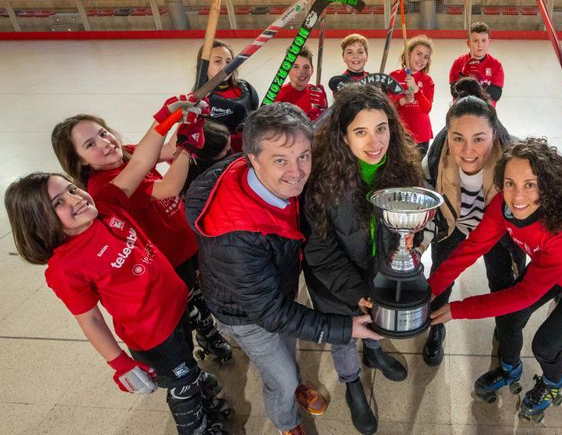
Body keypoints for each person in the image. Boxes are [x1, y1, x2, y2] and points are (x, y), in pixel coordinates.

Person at [5, 99, 229, 435]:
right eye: (59, 203)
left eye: (70, 190)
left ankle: (198, 386)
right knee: (181, 388)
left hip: (177, 307)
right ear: (40, 223)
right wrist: (119, 362)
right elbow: (90, 319)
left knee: (188, 368)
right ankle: (195, 427)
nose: (76, 199)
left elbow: (140, 160)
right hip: (154, 336)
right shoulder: (65, 267)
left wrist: (165, 118)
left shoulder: (107, 205)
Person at [185, 102, 381, 435]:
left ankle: (294, 383)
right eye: (280, 160)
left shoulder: (261, 175)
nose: (297, 171)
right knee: (280, 375)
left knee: (287, 348)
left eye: (303, 156)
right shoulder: (235, 238)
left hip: (277, 290)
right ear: (252, 158)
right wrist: (345, 329)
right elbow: (271, 314)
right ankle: (287, 423)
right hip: (245, 315)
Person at [429, 138, 562, 423]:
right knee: (509, 319)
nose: (517, 196)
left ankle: (552, 385)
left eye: (530, 184)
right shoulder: (503, 207)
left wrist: (458, 310)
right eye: (510, 183)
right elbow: (471, 249)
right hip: (551, 268)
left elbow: (523, 295)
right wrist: (431, 289)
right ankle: (510, 368)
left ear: (548, 186)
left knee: (545, 345)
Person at [419, 86, 562, 366]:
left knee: (503, 282)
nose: (468, 151)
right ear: (447, 135)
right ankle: (436, 328)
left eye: (479, 139)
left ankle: (503, 326)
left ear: (494, 133)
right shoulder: (434, 161)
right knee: (441, 275)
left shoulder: (515, 154)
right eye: (458, 138)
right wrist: (417, 243)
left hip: (504, 228)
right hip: (454, 225)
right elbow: (425, 207)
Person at [51, 113, 234, 366]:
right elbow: (169, 187)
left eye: (103, 133)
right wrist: (186, 148)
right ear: (78, 160)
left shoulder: (126, 154)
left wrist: (187, 123)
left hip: (184, 241)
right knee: (187, 304)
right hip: (168, 258)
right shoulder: (106, 186)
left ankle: (208, 335)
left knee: (200, 298)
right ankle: (190, 358)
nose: (105, 143)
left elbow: (167, 149)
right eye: (90, 144)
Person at [302, 85, 425, 435]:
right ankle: (352, 384)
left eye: (381, 128)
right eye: (361, 132)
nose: (375, 142)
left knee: (376, 322)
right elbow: (319, 250)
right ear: (342, 135)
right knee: (344, 337)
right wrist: (356, 293)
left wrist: (416, 244)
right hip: (337, 286)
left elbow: (422, 219)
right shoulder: (321, 179)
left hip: (380, 276)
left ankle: (374, 352)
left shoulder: (404, 167)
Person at [194, 40, 259, 152]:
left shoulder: (245, 87)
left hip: (253, 152)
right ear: (204, 65)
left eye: (229, 61)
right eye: (218, 61)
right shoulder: (200, 100)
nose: (225, 66)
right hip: (226, 161)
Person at [388, 35, 435, 158]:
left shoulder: (427, 80)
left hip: (421, 134)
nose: (421, 59)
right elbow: (387, 107)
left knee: (417, 169)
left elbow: (427, 109)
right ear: (408, 54)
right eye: (418, 54)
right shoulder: (394, 76)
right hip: (400, 133)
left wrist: (417, 90)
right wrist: (403, 100)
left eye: (426, 57)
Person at [448, 21, 504, 106]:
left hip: (485, 113)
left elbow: (496, 95)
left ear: (489, 42)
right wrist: (465, 78)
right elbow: (454, 92)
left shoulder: (496, 65)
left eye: (484, 40)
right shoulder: (458, 63)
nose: (480, 45)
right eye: (475, 41)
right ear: (468, 43)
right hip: (463, 111)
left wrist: (478, 81)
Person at [272, 45, 328, 122]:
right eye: (295, 67)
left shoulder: (316, 92)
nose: (301, 72)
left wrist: (324, 108)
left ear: (312, 70)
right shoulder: (278, 95)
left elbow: (326, 123)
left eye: (306, 67)